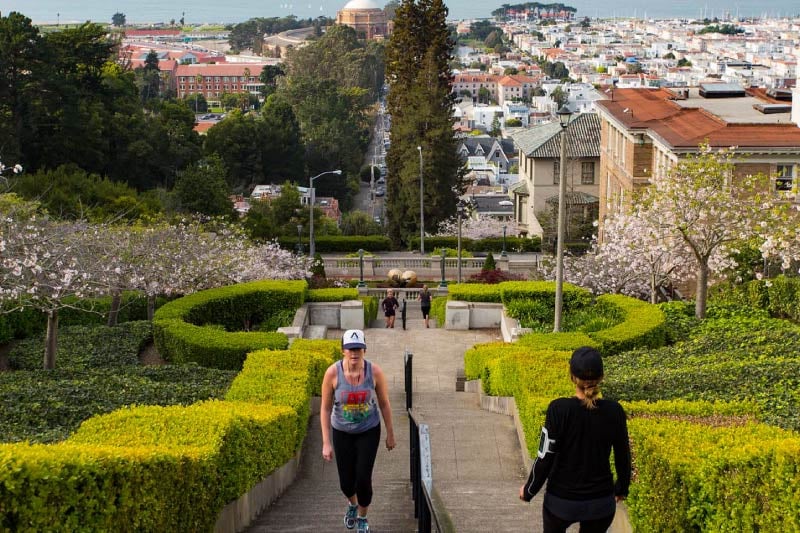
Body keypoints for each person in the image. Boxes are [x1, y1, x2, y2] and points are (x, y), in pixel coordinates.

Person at [519, 346, 631, 533]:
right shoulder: (614, 411)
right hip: (601, 504)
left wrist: (530, 490)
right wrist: (621, 489)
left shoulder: (558, 409)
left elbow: (545, 455)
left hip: (560, 503)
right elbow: (623, 455)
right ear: (601, 377)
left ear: (572, 376)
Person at [321, 329, 396, 533]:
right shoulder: (332, 373)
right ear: (343, 350)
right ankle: (352, 505)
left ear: (364, 350)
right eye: (350, 349)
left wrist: (390, 433)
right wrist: (326, 442)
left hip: (368, 430)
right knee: (346, 482)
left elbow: (384, 403)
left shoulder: (375, 372)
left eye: (358, 349)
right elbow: (326, 408)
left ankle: (363, 517)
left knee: (363, 478)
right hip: (342, 431)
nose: (354, 353)